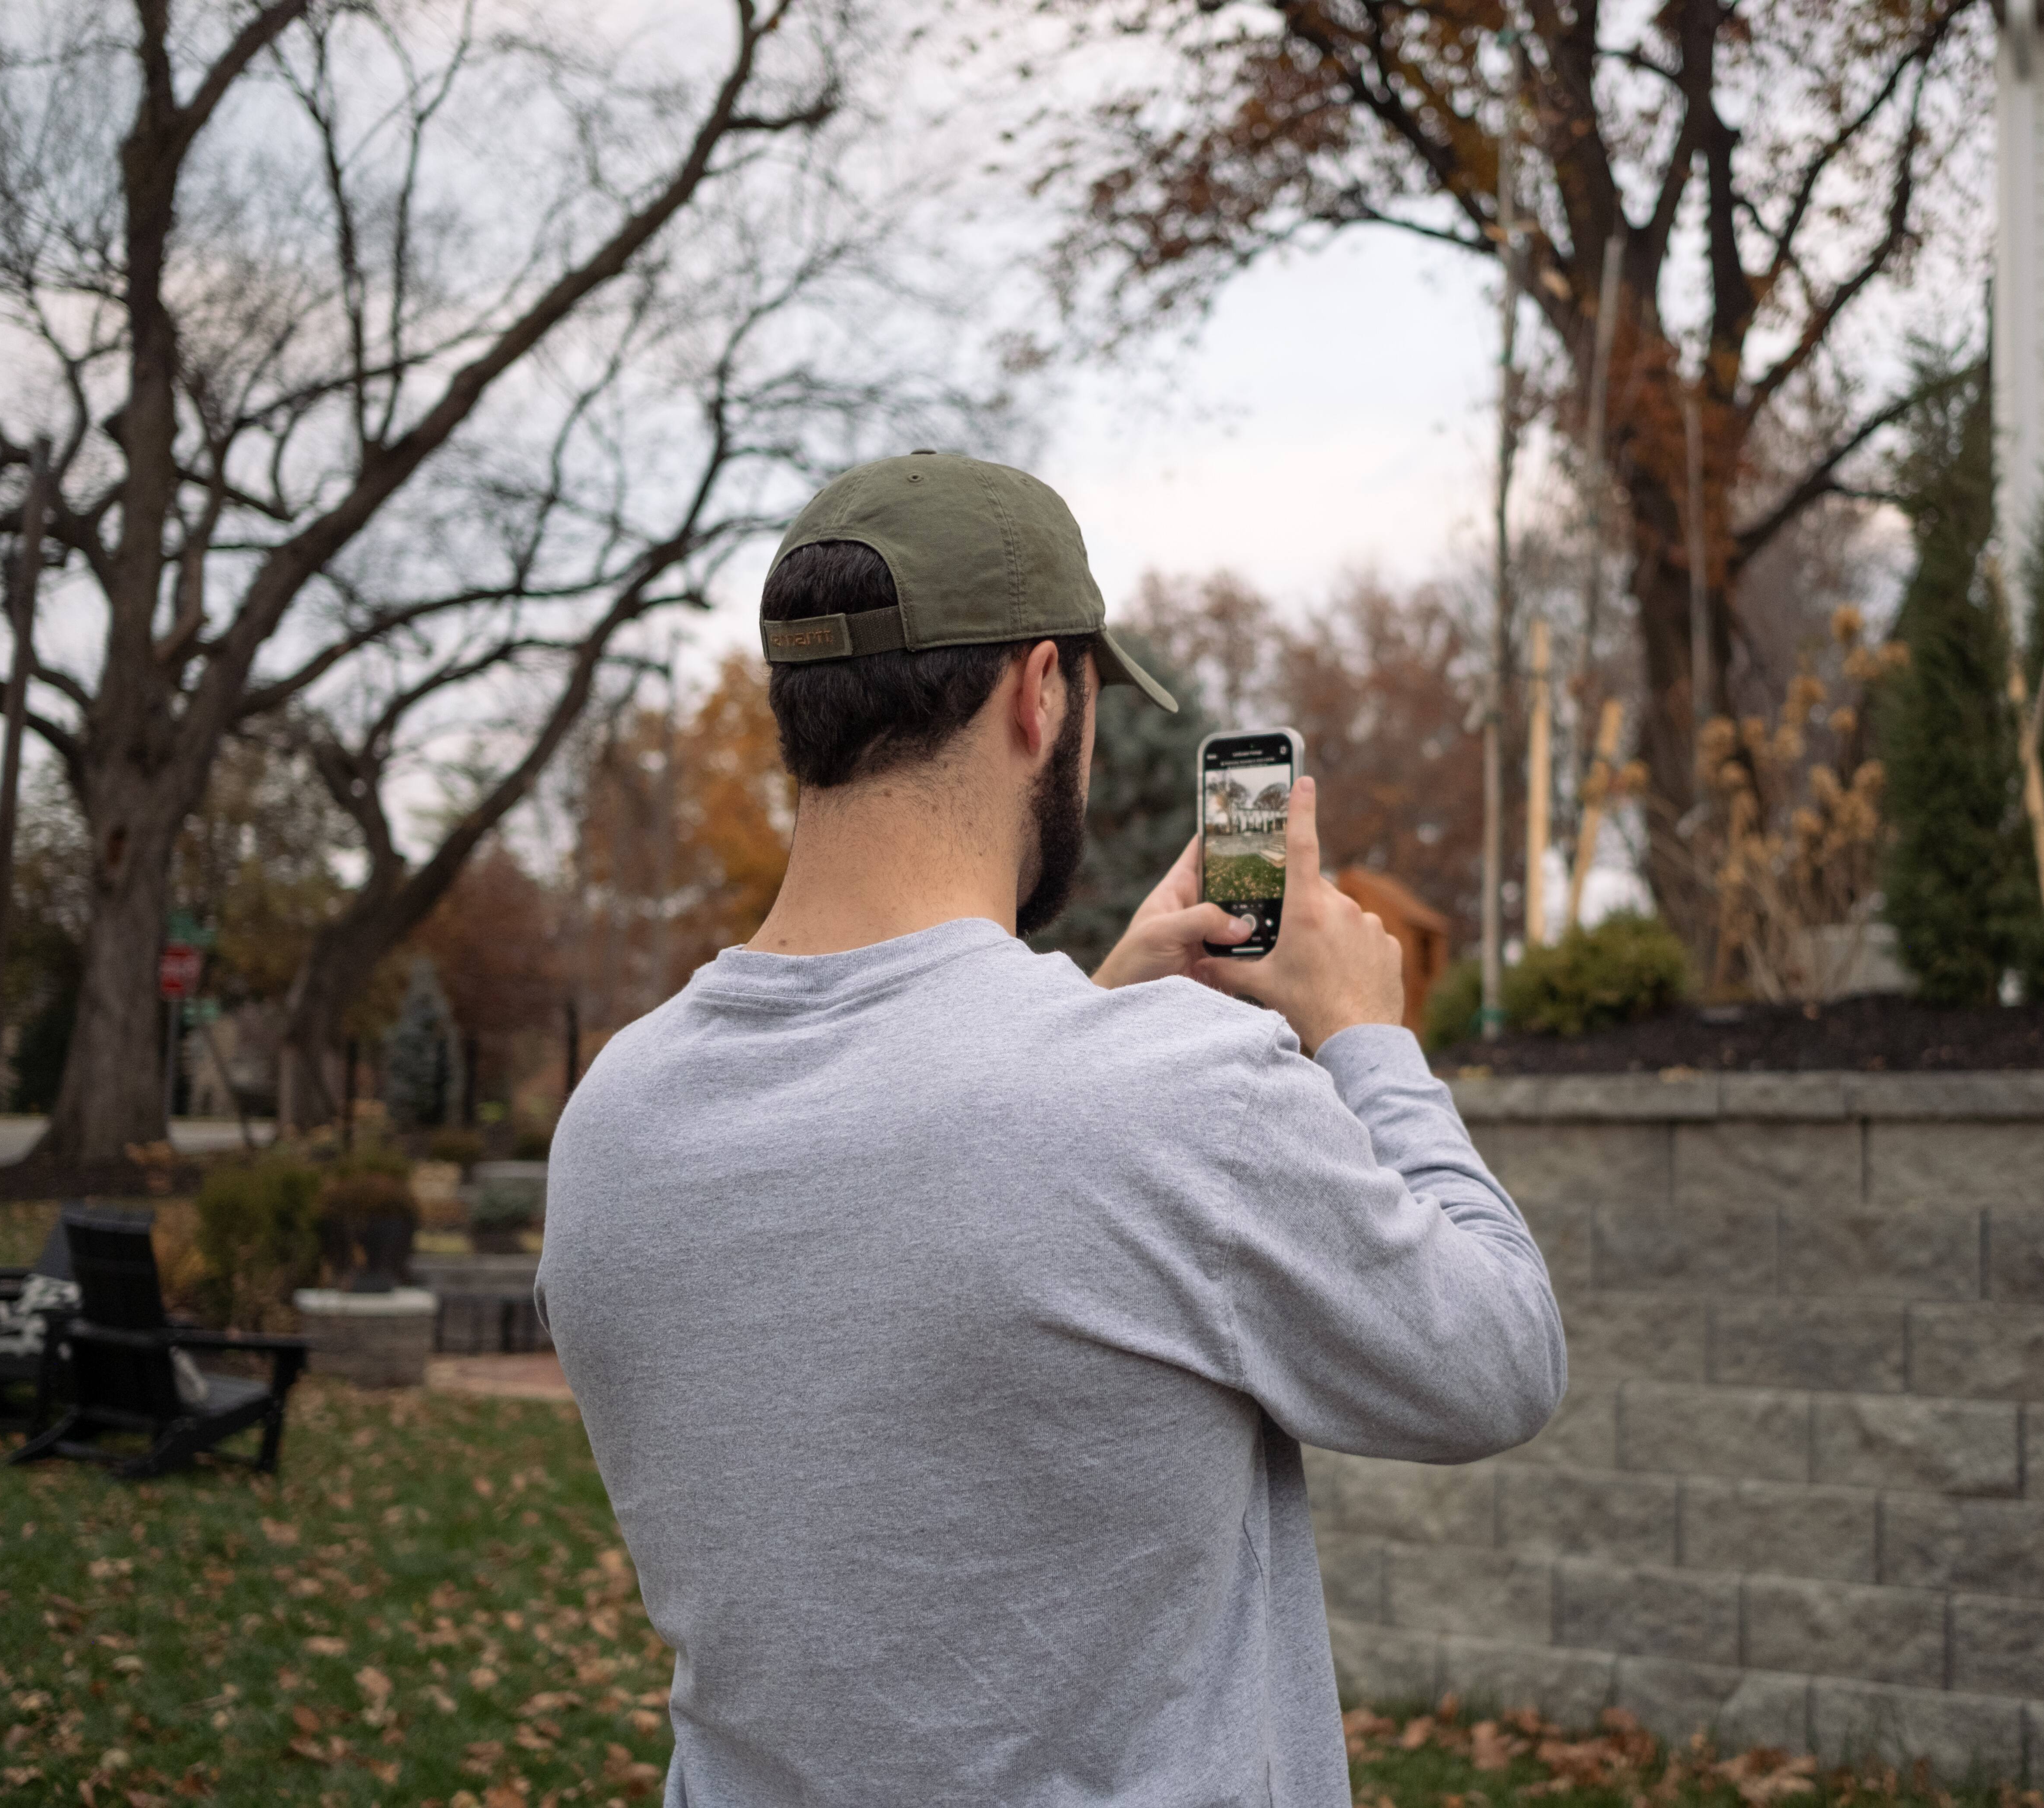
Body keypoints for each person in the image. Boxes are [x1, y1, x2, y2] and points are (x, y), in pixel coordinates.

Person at [538, 451, 1565, 1807]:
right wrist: (1369, 1036)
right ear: (1040, 695)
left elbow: (920, 1199)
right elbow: (1497, 1359)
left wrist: (1091, 1010)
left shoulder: (613, 1113)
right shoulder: (1165, 1096)